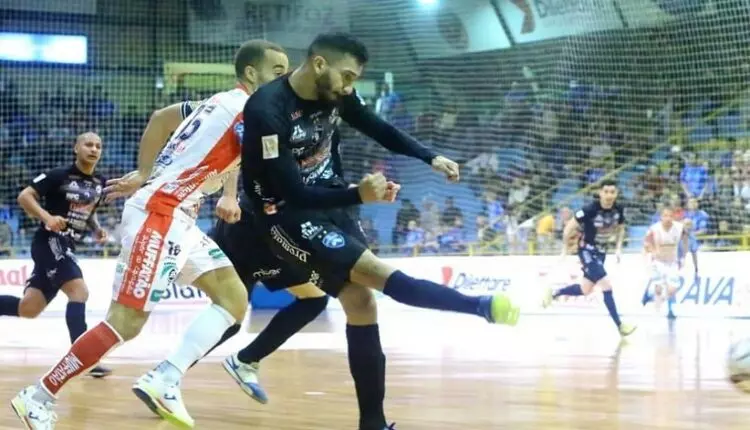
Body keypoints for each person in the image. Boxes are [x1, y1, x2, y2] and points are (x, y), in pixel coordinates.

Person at [240, 32, 520, 430]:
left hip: (332, 203)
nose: (349, 87)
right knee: (378, 275)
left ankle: (373, 423)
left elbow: (376, 127)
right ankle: (480, 306)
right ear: (319, 64)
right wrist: (360, 194)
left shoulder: (335, 93)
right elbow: (292, 193)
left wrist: (429, 156)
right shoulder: (267, 109)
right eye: (347, 76)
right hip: (283, 215)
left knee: (361, 303)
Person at [10, 39, 289, 430]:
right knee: (125, 323)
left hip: (181, 215)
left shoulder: (214, 103)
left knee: (233, 299)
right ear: (250, 72)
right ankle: (38, 396)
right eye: (277, 72)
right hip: (160, 214)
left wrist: (147, 172)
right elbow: (266, 164)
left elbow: (161, 118)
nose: (284, 79)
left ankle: (165, 378)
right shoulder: (249, 111)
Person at [0, 132, 111, 378]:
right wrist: (47, 218)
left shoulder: (100, 182)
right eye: (88, 144)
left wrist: (96, 228)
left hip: (67, 244)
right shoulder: (58, 175)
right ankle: (82, 359)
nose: (94, 149)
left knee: (29, 308)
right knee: (79, 292)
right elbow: (24, 196)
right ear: (76, 148)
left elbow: (87, 210)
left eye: (98, 146)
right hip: (49, 241)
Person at [542, 179, 636, 336]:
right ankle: (620, 326)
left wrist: (618, 248)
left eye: (612, 192)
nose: (609, 195)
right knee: (607, 286)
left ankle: (554, 293)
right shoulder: (589, 209)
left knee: (585, 289)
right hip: (586, 250)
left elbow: (621, 228)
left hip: (601, 252)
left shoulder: (619, 209)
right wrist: (564, 250)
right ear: (600, 193)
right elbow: (568, 228)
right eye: (606, 192)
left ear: (616, 194)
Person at [641, 207, 689, 319]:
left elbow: (686, 240)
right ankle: (663, 312)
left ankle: (650, 296)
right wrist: (652, 252)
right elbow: (646, 244)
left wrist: (683, 256)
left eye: (670, 216)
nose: (668, 218)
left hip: (672, 262)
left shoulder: (680, 228)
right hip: (657, 262)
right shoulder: (654, 229)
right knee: (659, 288)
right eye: (665, 216)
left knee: (672, 289)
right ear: (661, 217)